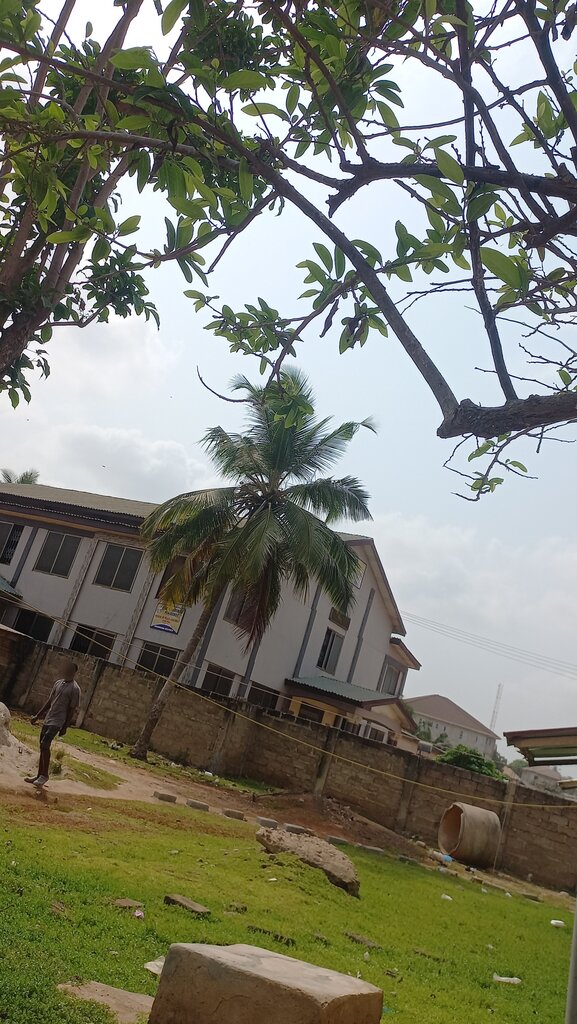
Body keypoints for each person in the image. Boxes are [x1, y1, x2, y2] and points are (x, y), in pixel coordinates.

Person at [25, 660, 81, 788]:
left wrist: (65, 727)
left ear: (73, 672)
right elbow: (50, 701)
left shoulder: (75, 689)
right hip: (48, 718)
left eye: (70, 670)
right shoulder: (58, 683)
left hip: (58, 721)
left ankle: (45, 775)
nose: (67, 671)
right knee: (42, 746)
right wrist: (37, 716)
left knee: (45, 744)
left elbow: (72, 710)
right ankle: (39, 775)